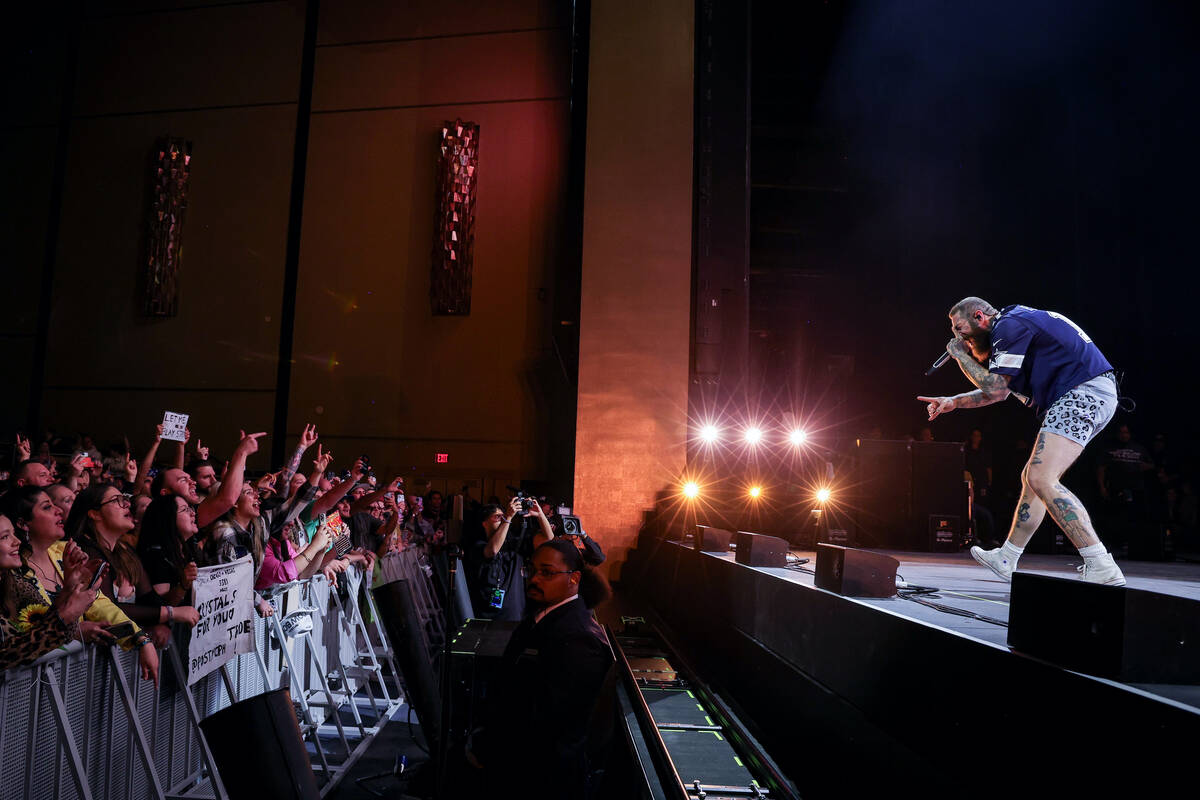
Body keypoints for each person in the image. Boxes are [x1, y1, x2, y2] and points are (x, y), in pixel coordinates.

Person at [917, 297, 1125, 585]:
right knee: (1032, 478)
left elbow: (993, 388)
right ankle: (1007, 557)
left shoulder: (1009, 327)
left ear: (980, 316)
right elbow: (999, 392)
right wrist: (953, 402)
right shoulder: (1014, 324)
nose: (957, 336)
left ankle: (1099, 562)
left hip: (1082, 393)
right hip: (1088, 393)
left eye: (959, 328)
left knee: (1042, 477)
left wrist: (959, 356)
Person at [468, 538, 614, 798]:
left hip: (542, 776)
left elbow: (553, 722)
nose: (534, 579)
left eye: (547, 572)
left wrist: (493, 748)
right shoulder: (541, 616)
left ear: (574, 578)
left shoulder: (580, 637)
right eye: (532, 570)